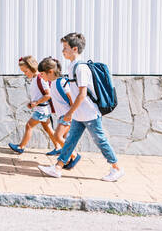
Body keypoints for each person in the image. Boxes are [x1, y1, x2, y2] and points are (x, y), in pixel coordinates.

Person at [38, 33, 125, 182]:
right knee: (71, 140)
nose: (63, 51)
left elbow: (82, 94)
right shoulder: (72, 66)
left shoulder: (81, 68)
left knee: (100, 140)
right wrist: (73, 113)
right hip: (80, 114)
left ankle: (116, 168)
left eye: (66, 48)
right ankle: (58, 167)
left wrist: (69, 113)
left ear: (75, 49)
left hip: (89, 113)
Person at [8, 56, 61, 154]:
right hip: (42, 109)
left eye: (26, 71)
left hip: (42, 110)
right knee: (48, 128)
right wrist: (33, 103)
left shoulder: (40, 78)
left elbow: (48, 94)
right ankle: (58, 147)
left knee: (29, 126)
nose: (25, 74)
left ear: (32, 68)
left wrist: (36, 103)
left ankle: (21, 147)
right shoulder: (35, 78)